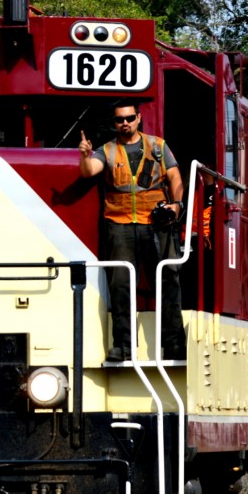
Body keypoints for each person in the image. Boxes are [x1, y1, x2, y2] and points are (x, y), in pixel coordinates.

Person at [79, 103, 186, 362]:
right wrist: (84, 155)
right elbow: (89, 171)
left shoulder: (158, 146)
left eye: (129, 118)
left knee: (168, 282)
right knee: (121, 285)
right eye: (119, 120)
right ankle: (123, 347)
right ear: (114, 123)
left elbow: (175, 178)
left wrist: (176, 204)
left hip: (157, 225)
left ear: (139, 118)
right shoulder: (106, 150)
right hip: (120, 224)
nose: (124, 123)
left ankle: (174, 345)